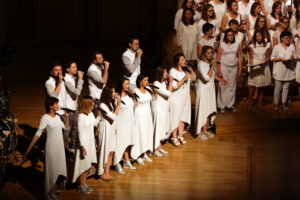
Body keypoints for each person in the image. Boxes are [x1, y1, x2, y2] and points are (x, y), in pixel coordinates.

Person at [23, 97, 69, 199]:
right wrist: (28, 149)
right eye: (56, 104)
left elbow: (66, 128)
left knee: (59, 170)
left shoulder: (57, 117)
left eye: (58, 104)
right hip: (51, 148)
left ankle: (52, 192)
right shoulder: (45, 118)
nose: (58, 106)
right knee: (52, 171)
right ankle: (49, 194)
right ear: (50, 106)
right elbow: (38, 133)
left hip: (60, 148)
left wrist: (66, 117)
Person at [195, 46, 226, 140]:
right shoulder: (200, 64)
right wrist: (213, 66)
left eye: (211, 53)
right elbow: (206, 78)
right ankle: (198, 132)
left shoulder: (209, 64)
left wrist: (220, 79)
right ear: (204, 53)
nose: (211, 55)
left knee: (208, 109)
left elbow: (211, 75)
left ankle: (205, 130)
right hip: (203, 89)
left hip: (210, 88)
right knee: (202, 110)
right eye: (208, 53)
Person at [72, 96, 101, 194]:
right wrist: (82, 145)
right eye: (92, 103)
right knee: (83, 165)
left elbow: (94, 124)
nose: (94, 104)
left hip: (90, 143)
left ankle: (83, 183)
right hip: (83, 145)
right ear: (87, 104)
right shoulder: (81, 117)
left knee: (88, 165)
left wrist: (99, 117)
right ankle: (80, 185)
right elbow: (80, 132)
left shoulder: (90, 114)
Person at [168, 53, 196, 146]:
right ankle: (174, 137)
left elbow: (194, 78)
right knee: (175, 117)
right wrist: (184, 78)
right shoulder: (172, 71)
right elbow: (173, 86)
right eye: (182, 60)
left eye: (184, 59)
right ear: (178, 62)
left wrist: (190, 69)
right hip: (176, 99)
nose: (185, 61)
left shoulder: (186, 70)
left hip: (185, 98)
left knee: (183, 117)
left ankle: (180, 136)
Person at [131, 74, 157, 165]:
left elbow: (155, 98)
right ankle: (137, 155)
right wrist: (133, 96)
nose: (147, 82)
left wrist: (153, 89)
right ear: (140, 81)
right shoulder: (135, 91)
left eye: (147, 80)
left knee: (146, 134)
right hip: (139, 116)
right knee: (140, 135)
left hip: (148, 115)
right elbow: (135, 104)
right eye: (145, 80)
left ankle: (144, 152)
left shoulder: (148, 90)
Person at [113, 78, 136, 174]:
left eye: (128, 84)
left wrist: (134, 95)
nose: (128, 86)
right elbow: (116, 111)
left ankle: (126, 160)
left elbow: (135, 105)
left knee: (127, 142)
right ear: (121, 85)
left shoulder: (129, 95)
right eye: (126, 84)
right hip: (120, 123)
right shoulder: (117, 96)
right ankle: (117, 163)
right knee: (119, 143)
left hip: (129, 122)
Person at [98, 87, 121, 180]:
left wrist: (115, 127)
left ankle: (106, 171)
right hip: (105, 129)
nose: (114, 94)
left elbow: (115, 118)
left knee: (111, 151)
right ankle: (100, 172)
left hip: (111, 128)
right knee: (104, 150)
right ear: (108, 94)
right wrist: (118, 106)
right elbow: (112, 117)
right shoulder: (102, 105)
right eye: (113, 92)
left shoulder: (111, 103)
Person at [217, 28, 242, 113]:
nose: (230, 37)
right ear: (226, 36)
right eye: (228, 35)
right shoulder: (222, 45)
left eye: (232, 35)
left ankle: (230, 105)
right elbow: (218, 58)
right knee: (223, 86)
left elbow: (239, 57)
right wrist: (219, 71)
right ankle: (221, 105)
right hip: (224, 68)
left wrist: (240, 69)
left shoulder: (237, 44)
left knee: (232, 87)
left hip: (234, 68)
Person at [247, 30, 272, 112]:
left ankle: (260, 105)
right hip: (255, 67)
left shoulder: (267, 45)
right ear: (255, 37)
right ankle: (249, 105)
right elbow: (251, 58)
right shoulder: (252, 46)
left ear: (263, 36)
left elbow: (268, 57)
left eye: (260, 36)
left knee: (262, 88)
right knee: (252, 87)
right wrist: (250, 66)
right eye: (257, 36)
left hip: (264, 67)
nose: (258, 37)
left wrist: (264, 63)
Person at [271, 31, 296, 111]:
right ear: (282, 38)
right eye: (286, 38)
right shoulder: (277, 47)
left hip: (288, 70)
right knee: (278, 88)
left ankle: (283, 103)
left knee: (286, 88)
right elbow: (272, 58)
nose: (288, 39)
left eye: (289, 37)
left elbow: (294, 56)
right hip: (279, 70)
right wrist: (280, 59)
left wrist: (292, 58)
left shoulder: (292, 47)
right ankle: (276, 104)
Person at [64, 61, 84, 155]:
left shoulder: (72, 78)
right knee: (67, 130)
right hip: (68, 108)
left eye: (76, 67)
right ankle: (66, 148)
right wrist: (80, 79)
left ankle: (73, 146)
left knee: (75, 128)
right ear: (68, 69)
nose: (76, 69)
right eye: (73, 67)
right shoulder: (66, 80)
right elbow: (77, 92)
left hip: (74, 107)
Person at [151, 67, 172, 157]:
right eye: (165, 72)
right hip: (158, 108)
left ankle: (159, 147)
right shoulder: (156, 83)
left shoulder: (163, 82)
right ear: (161, 74)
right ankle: (155, 149)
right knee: (158, 128)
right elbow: (168, 94)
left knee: (161, 128)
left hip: (163, 108)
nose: (167, 73)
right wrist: (171, 83)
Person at [87, 51, 110, 116]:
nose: (102, 59)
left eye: (102, 57)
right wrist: (106, 68)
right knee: (96, 117)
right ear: (94, 61)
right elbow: (104, 81)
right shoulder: (92, 70)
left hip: (101, 97)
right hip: (95, 99)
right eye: (99, 59)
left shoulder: (101, 67)